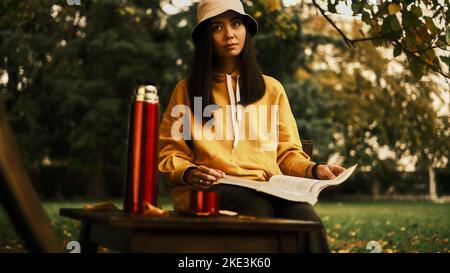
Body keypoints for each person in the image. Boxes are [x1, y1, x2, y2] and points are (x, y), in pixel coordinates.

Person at [158, 0, 345, 252]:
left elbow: (287, 154)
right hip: (211, 189)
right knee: (258, 209)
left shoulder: (272, 89)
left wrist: (315, 170)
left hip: (268, 187)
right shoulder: (188, 91)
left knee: (305, 217)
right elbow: (170, 153)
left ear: (246, 29)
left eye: (236, 23)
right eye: (217, 27)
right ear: (206, 36)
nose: (229, 34)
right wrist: (190, 172)